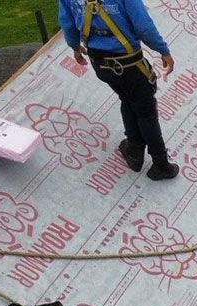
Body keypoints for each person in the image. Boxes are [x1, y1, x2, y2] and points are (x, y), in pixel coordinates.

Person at [60, 0, 179, 180]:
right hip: (128, 63)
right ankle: (161, 164)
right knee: (146, 111)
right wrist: (163, 50)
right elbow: (143, 26)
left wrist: (75, 48)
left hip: (101, 65)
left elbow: (68, 23)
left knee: (127, 98)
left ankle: (134, 149)